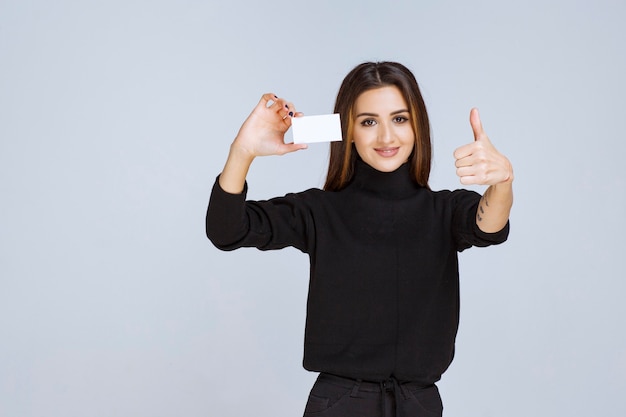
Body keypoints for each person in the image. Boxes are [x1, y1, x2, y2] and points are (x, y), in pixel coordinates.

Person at [206, 62, 513, 417]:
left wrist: (503, 181)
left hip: (419, 404)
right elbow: (226, 230)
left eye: (399, 119)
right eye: (369, 121)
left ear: (417, 127)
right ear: (348, 130)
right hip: (340, 404)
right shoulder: (319, 211)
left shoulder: (444, 211)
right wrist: (242, 152)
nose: (386, 137)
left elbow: (489, 226)